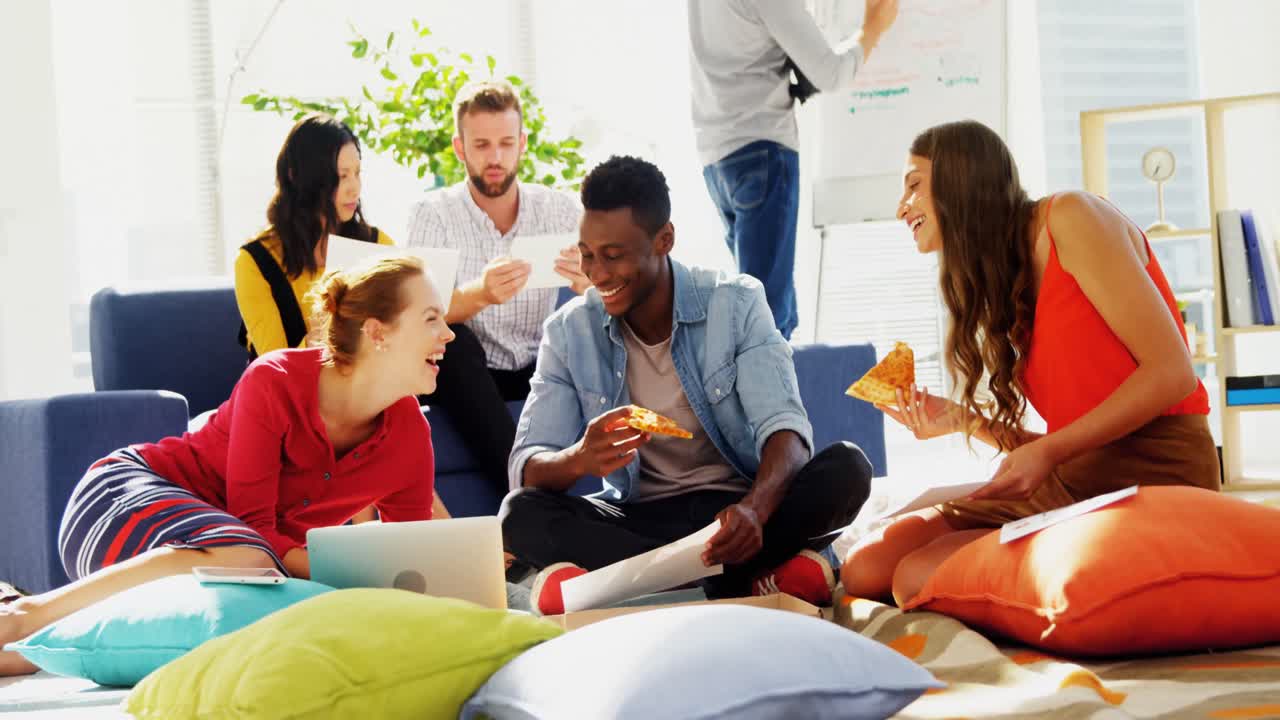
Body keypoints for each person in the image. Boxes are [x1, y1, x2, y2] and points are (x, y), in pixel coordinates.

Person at [0, 257, 454, 676]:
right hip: (123, 499)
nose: (448, 333)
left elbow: (409, 558)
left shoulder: (410, 435)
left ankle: (25, 652)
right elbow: (252, 526)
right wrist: (339, 573)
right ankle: (26, 616)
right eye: (430, 319)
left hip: (224, 561)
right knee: (253, 560)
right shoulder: (275, 380)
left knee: (268, 592)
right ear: (378, 333)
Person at [841, 120, 1220, 607]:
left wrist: (1047, 455)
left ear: (960, 179)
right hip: (1071, 480)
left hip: (1159, 472)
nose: (901, 208)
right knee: (865, 566)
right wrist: (960, 420)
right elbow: (1064, 448)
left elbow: (1173, 374)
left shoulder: (1071, 218)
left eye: (914, 185)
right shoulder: (1006, 279)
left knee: (913, 577)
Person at [500, 156, 874, 616]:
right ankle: (749, 580)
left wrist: (755, 511)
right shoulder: (568, 330)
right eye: (588, 255)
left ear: (665, 240)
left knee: (848, 469)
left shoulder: (735, 303)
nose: (596, 275)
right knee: (519, 514)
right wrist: (579, 458)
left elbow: (786, 431)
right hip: (639, 519)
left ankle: (642, 587)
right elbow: (529, 463)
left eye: (614, 256)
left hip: (735, 512)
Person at [406, 80, 588, 499]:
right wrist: (481, 294)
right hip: (471, 374)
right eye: (482, 145)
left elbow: (611, 294)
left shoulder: (559, 210)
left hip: (538, 366)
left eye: (506, 143)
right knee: (451, 342)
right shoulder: (433, 214)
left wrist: (588, 286)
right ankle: (527, 495)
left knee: (592, 325)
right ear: (459, 147)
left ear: (522, 144)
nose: (495, 158)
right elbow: (419, 316)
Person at [688, 0, 899, 339]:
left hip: (717, 157)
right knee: (767, 318)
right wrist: (874, 25)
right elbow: (830, 73)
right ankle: (765, 391)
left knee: (764, 307)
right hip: (761, 149)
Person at [235, 113, 395, 359]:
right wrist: (330, 322)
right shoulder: (256, 262)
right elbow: (274, 370)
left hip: (368, 391)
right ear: (297, 177)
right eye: (342, 176)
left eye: (357, 173)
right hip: (291, 393)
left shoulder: (377, 245)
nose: (355, 187)